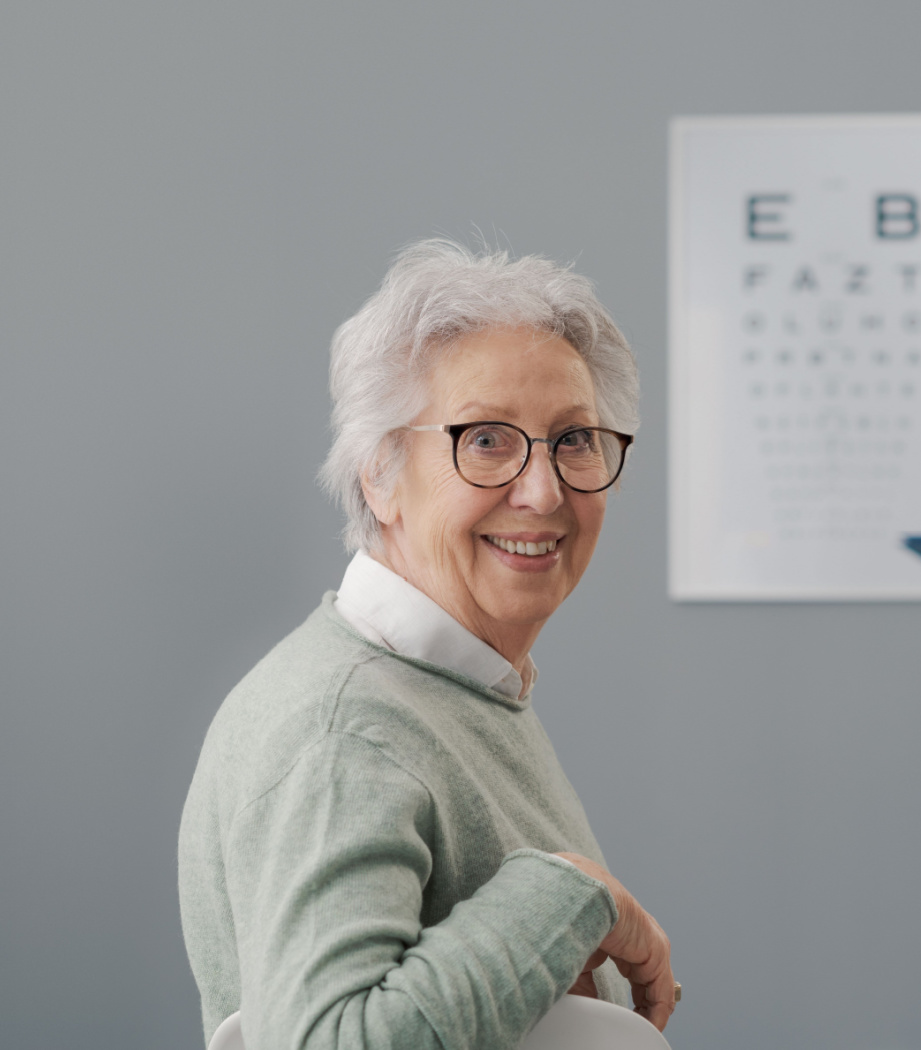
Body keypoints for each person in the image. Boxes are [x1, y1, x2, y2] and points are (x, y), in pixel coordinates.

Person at [179, 240, 676, 1049]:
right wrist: (571, 896)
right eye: (485, 439)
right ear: (380, 473)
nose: (544, 490)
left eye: (575, 439)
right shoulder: (344, 732)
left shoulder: (454, 689)